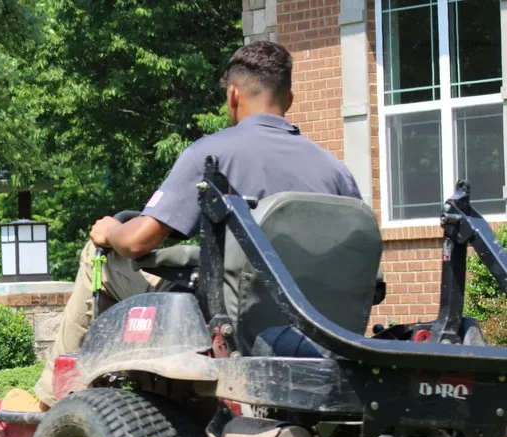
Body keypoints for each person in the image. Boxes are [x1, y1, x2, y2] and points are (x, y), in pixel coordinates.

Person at [28, 40, 363, 410]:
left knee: (99, 256)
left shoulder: (213, 154)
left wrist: (110, 231)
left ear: (233, 96)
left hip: (231, 327)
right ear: (290, 99)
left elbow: (138, 242)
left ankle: (50, 401)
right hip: (319, 333)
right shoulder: (336, 171)